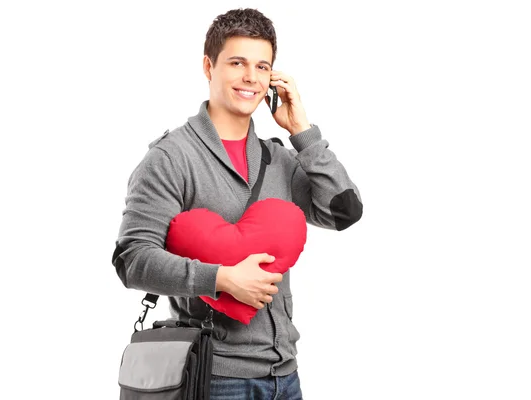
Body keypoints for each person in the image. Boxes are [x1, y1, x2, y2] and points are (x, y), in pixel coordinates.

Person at [112, 7, 363, 399]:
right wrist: (221, 279)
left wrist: (302, 131)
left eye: (263, 67)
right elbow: (132, 260)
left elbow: (344, 211)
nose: (251, 77)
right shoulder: (170, 158)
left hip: (285, 376)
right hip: (213, 377)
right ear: (208, 67)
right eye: (237, 62)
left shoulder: (279, 158)